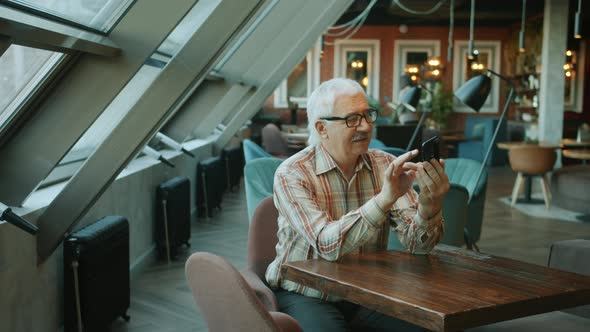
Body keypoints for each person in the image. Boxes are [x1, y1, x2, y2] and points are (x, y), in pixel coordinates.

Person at [265, 78, 449, 332]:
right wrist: (385, 198)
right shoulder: (292, 173)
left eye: (367, 115)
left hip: (367, 293)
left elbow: (418, 247)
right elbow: (326, 245)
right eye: (352, 119)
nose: (365, 126)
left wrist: (430, 204)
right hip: (306, 293)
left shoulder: (385, 165)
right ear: (321, 128)